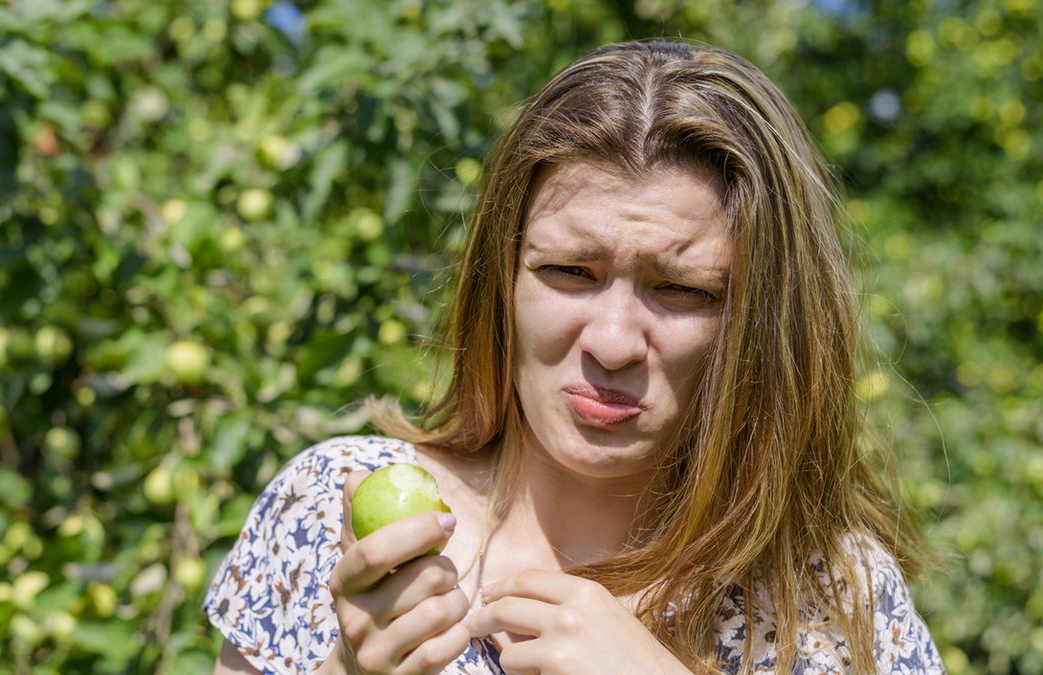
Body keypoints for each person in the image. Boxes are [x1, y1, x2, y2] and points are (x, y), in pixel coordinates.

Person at [204, 39, 944, 674]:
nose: (613, 341)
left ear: (759, 325)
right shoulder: (330, 515)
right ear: (504, 279)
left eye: (681, 289)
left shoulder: (836, 602)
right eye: (568, 272)